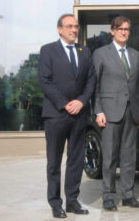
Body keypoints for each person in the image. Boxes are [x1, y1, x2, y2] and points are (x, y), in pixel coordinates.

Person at [38, 14, 96, 218]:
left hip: (79, 114)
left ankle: (72, 201)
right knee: (54, 162)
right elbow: (44, 81)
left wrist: (81, 101)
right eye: (69, 26)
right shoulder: (48, 50)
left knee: (76, 160)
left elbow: (91, 80)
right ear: (60, 29)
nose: (74, 30)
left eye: (76, 26)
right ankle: (55, 203)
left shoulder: (85, 51)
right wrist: (64, 104)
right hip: (56, 115)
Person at [92, 16, 139, 212]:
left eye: (127, 29)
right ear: (112, 31)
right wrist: (98, 110)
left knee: (129, 157)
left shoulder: (136, 55)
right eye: (120, 29)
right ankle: (108, 197)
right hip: (109, 112)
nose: (124, 32)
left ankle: (128, 195)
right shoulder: (100, 54)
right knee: (109, 157)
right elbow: (95, 85)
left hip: (131, 113)